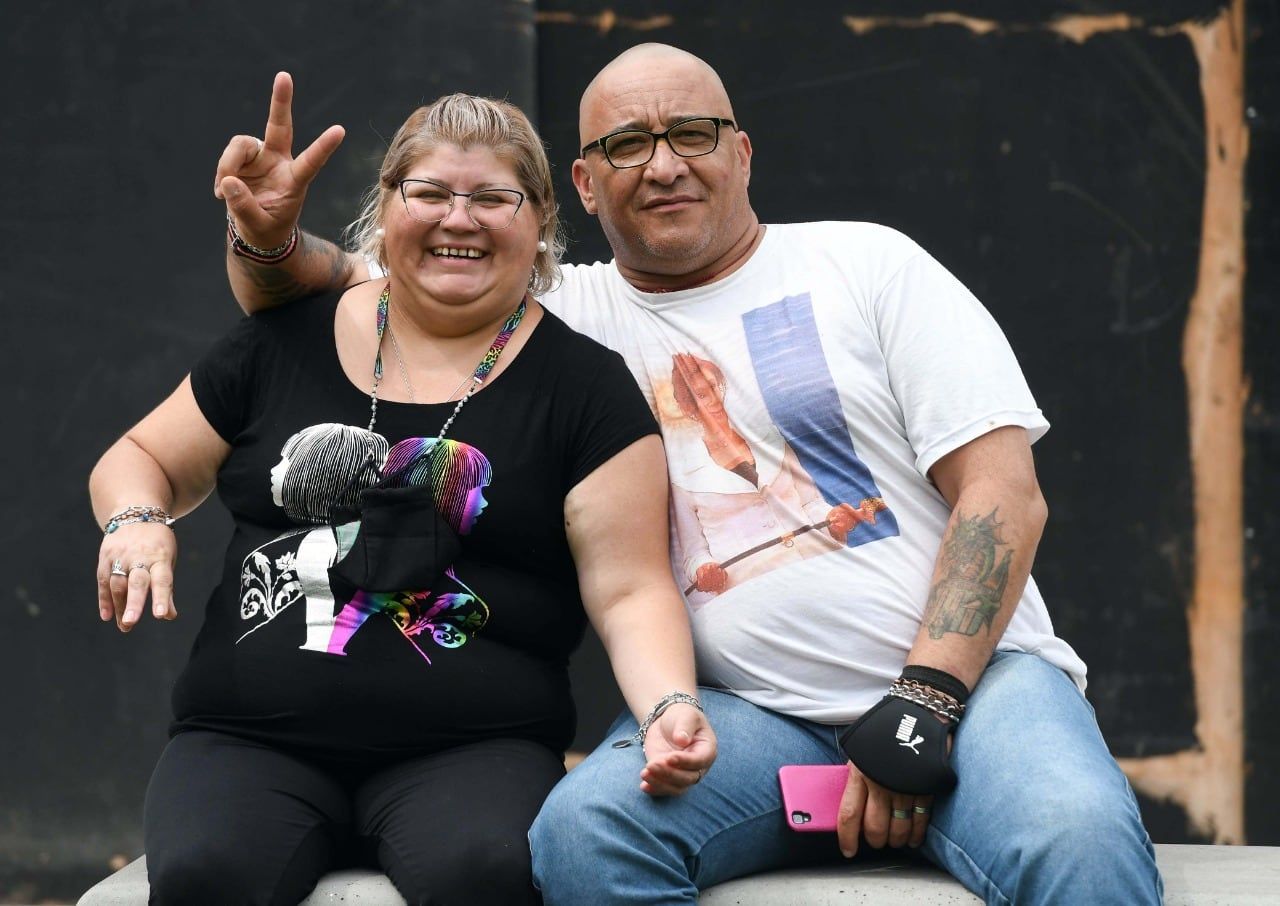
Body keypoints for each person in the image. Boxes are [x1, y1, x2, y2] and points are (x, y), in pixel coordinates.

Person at [214, 47, 1162, 905]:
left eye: (692, 134)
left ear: (741, 153)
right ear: (583, 186)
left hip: (977, 686)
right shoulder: (549, 316)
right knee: (585, 836)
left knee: (1076, 838)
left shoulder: (868, 264)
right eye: (627, 145)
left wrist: (923, 704)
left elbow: (1003, 494)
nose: (664, 164)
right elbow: (329, 282)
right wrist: (266, 236)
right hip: (748, 718)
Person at [90, 85, 716, 906]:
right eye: (430, 193)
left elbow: (630, 588)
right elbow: (141, 456)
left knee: (483, 875)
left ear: (539, 222)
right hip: (249, 740)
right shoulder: (282, 340)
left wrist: (669, 707)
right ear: (384, 210)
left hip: (472, 750)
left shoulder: (586, 389)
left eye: (493, 198)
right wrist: (137, 518)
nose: (460, 219)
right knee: (208, 874)